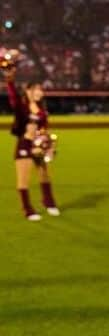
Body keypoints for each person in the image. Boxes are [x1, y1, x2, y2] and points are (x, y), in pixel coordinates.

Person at [6, 61, 60, 221]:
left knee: (44, 175)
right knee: (23, 179)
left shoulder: (42, 111)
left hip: (38, 145)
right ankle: (28, 209)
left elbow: (45, 129)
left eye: (41, 89)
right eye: (36, 89)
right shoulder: (21, 107)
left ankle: (49, 202)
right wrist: (10, 80)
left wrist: (48, 145)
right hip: (24, 144)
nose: (39, 91)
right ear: (28, 91)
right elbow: (14, 97)